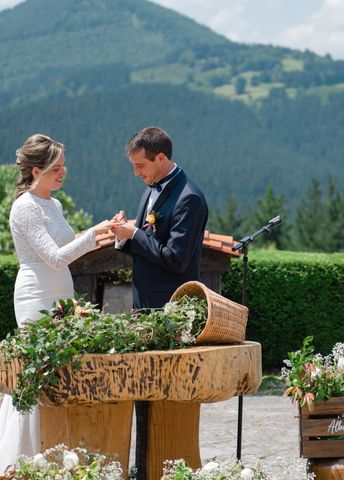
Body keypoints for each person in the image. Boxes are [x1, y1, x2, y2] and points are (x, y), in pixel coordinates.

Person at [0, 134, 114, 479]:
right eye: (56, 167)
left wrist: (105, 232)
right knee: (35, 371)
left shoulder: (54, 205)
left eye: (63, 166)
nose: (63, 173)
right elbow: (54, 258)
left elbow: (69, 245)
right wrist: (94, 234)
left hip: (60, 291)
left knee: (58, 368)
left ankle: (51, 453)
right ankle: (19, 460)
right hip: (36, 293)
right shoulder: (24, 207)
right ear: (36, 170)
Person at [112, 126, 208, 480]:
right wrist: (125, 237)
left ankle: (167, 466)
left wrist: (135, 235)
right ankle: (144, 467)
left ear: (161, 158)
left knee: (168, 398)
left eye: (141, 166)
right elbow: (144, 244)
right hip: (144, 308)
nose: (137, 173)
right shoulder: (150, 192)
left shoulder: (189, 198)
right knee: (142, 392)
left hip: (171, 312)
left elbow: (175, 260)